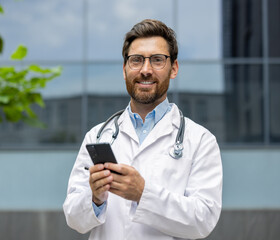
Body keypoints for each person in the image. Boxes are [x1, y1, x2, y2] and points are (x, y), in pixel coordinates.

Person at [63, 19, 222, 240]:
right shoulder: (98, 136)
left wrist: (143, 193)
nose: (145, 70)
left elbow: (203, 220)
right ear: (124, 68)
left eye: (157, 60)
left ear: (173, 68)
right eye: (136, 60)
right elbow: (73, 217)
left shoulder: (201, 140)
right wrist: (95, 198)